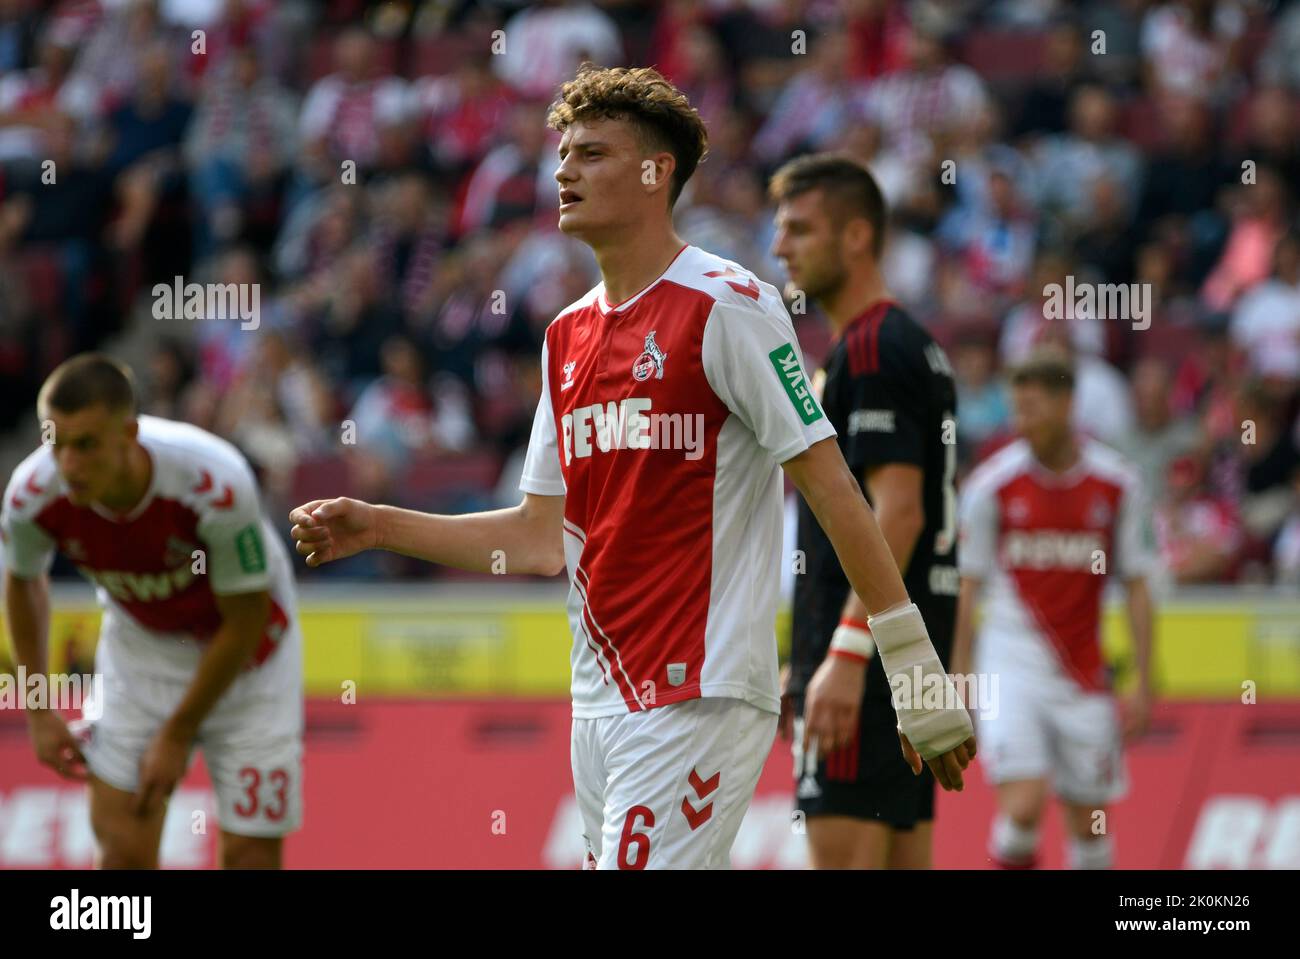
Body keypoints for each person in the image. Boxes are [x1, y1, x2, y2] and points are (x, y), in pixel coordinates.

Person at [289, 64, 974, 870]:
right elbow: (542, 537)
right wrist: (378, 525)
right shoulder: (564, 336)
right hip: (598, 700)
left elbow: (832, 485)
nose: (563, 171)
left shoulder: (730, 303)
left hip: (699, 690)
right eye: (563, 154)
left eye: (592, 153)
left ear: (658, 174)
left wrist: (911, 661)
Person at [1, 354, 304, 868]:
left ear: (129, 433)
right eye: (55, 442)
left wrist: (178, 732)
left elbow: (246, 619)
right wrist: (38, 709)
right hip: (140, 655)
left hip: (250, 661)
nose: (68, 463)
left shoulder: (214, 483)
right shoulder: (32, 495)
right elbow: (24, 584)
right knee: (122, 853)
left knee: (250, 854)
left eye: (86, 444)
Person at [770, 153, 961, 869]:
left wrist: (845, 653)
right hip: (900, 661)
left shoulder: (875, 346)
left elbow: (900, 512)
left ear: (856, 237)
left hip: (870, 663)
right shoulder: (897, 343)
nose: (779, 246)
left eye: (798, 228)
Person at [951, 348, 1155, 869]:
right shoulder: (991, 487)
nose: (1025, 423)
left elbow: (1136, 585)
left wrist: (1145, 680)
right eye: (1018, 410)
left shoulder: (1117, 485)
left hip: (1084, 670)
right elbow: (968, 589)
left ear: (1067, 405)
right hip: (1009, 663)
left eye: (1035, 409)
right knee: (1022, 804)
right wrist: (959, 678)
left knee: (1090, 820)